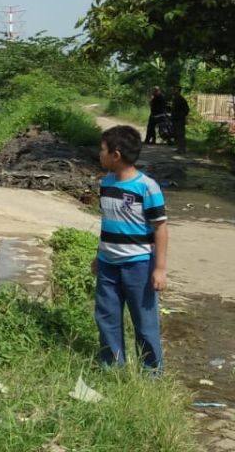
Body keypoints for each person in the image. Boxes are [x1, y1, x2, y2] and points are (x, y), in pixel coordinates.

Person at [92, 125, 168, 371]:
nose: (99, 154)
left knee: (144, 322)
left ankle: (151, 371)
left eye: (102, 149)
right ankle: (113, 368)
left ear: (116, 155)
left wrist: (159, 268)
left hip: (139, 265)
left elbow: (160, 229)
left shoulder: (147, 187)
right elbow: (108, 223)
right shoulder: (107, 183)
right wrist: (99, 255)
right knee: (107, 317)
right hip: (108, 265)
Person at [170, 86, 189, 153]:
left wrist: (181, 115)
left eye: (174, 90)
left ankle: (182, 149)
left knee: (180, 134)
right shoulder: (175, 99)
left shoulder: (181, 99)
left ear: (177, 91)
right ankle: (179, 148)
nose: (172, 91)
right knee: (176, 134)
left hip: (179, 120)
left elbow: (186, 110)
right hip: (175, 119)